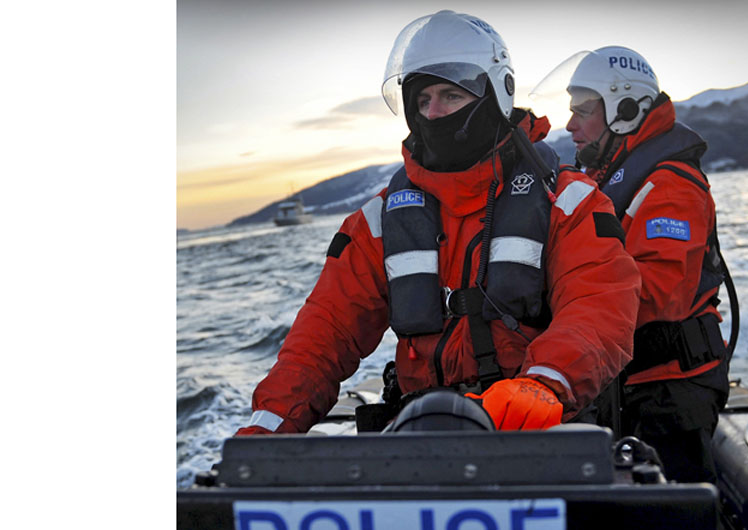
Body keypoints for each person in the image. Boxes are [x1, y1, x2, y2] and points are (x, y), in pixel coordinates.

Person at [236, 12, 641, 436]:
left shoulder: (566, 201)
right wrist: (266, 429)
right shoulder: (378, 220)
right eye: (422, 99)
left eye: (451, 95)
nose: (433, 112)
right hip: (421, 432)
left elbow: (599, 303)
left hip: (531, 426)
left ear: (495, 95)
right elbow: (325, 331)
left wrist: (546, 382)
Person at [539, 47, 731, 483]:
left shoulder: (670, 186)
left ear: (625, 110)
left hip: (670, 392)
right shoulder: (610, 178)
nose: (570, 125)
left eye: (583, 111)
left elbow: (660, 291)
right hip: (631, 383)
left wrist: (569, 314)